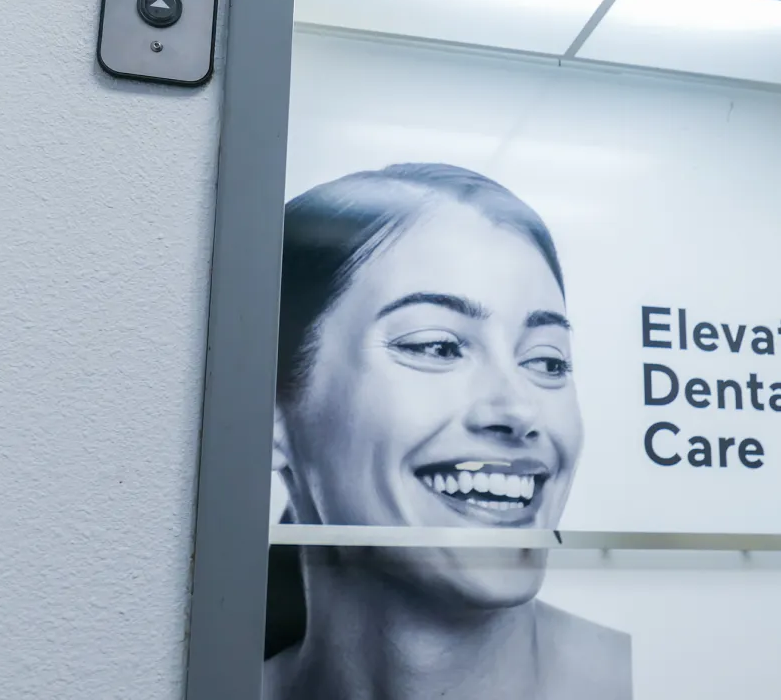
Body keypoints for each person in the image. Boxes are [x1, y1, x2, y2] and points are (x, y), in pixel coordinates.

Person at [263, 163, 632, 700]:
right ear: (272, 410)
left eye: (548, 361)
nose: (517, 408)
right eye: (437, 347)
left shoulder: (672, 678)